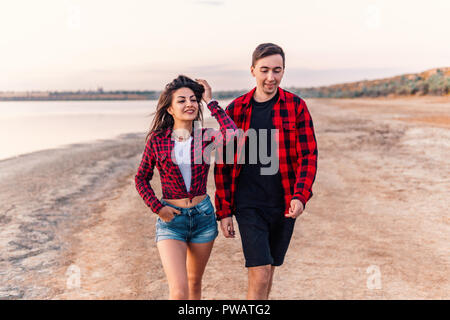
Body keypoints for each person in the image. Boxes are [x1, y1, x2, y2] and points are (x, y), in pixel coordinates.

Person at [214, 43, 318, 299]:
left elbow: (308, 155)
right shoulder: (236, 110)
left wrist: (300, 196)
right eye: (264, 70)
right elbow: (223, 165)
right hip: (248, 204)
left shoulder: (296, 107)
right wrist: (224, 211)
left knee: (269, 268)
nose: (271, 77)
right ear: (252, 71)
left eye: (277, 70)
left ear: (283, 71)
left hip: (283, 203)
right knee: (259, 271)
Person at [135, 75, 237, 300]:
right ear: (170, 109)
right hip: (172, 220)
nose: (189, 104)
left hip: (203, 217)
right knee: (179, 291)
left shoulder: (206, 136)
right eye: (181, 100)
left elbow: (232, 134)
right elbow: (141, 178)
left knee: (194, 284)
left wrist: (210, 101)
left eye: (193, 99)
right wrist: (157, 207)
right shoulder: (157, 140)